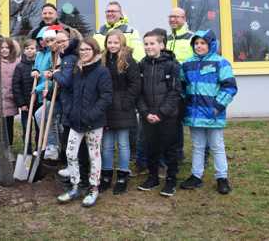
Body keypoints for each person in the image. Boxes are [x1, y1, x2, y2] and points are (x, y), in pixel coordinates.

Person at [179, 30, 238, 195]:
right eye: (196, 43)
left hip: (213, 113)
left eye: (203, 43)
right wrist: (184, 106)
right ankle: (196, 176)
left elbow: (230, 87)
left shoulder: (221, 63)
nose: (199, 46)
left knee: (217, 146)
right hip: (194, 114)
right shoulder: (187, 64)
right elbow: (182, 87)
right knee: (198, 146)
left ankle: (222, 178)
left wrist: (217, 106)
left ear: (211, 45)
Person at [56, 37, 112, 208]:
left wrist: (92, 114)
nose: (84, 53)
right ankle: (76, 185)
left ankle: (93, 188)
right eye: (82, 50)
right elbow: (72, 93)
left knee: (94, 155)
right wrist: (73, 112)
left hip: (94, 123)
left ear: (95, 51)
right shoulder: (77, 70)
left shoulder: (102, 71)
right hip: (76, 121)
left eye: (88, 49)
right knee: (70, 153)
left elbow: (106, 97)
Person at [136, 30, 182, 197]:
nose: (148, 47)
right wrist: (145, 112)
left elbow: (175, 92)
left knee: (170, 148)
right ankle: (153, 177)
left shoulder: (172, 65)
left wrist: (161, 113)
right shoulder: (142, 65)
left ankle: (171, 180)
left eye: (152, 43)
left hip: (168, 116)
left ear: (161, 45)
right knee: (151, 147)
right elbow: (138, 93)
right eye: (146, 44)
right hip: (148, 115)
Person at [100, 30, 141, 195]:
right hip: (107, 108)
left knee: (123, 144)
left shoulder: (129, 61)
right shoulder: (102, 60)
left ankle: (123, 175)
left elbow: (135, 84)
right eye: (110, 42)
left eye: (116, 43)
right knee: (107, 145)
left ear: (122, 43)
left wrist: (127, 102)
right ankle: (106, 175)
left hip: (124, 108)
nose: (112, 46)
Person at [166, 7, 194, 164]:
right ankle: (178, 154)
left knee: (193, 122)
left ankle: (203, 154)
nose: (173, 20)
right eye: (170, 17)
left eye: (176, 17)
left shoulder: (192, 37)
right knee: (175, 123)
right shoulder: (168, 38)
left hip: (187, 85)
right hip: (170, 87)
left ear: (184, 18)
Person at [32, 25, 62, 160]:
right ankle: (54, 146)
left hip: (60, 94)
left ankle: (54, 146)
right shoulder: (45, 54)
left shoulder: (60, 54)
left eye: (51, 40)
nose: (48, 43)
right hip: (51, 92)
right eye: (45, 40)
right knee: (43, 117)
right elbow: (40, 69)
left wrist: (50, 77)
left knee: (46, 117)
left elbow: (58, 73)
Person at [0, 37, 20, 147]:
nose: (4, 50)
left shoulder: (17, 62)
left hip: (10, 98)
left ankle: (8, 148)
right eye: (2, 47)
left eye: (7, 48)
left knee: (8, 125)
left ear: (12, 49)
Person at [11, 38, 37, 153]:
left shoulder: (39, 64)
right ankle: (28, 149)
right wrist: (21, 103)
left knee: (39, 127)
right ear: (24, 51)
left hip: (38, 103)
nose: (30, 51)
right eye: (27, 48)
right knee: (26, 127)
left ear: (36, 50)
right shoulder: (20, 66)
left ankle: (39, 149)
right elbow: (16, 86)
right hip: (26, 104)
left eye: (32, 48)